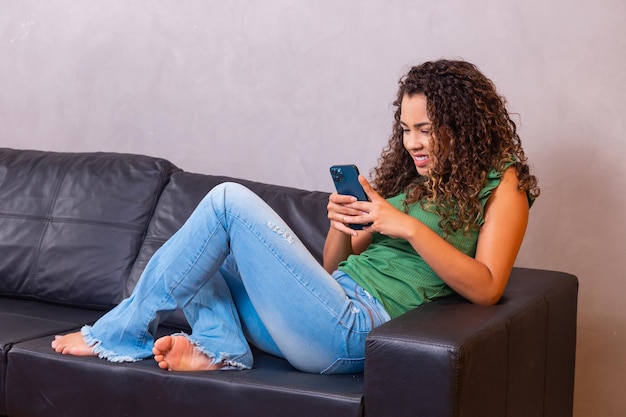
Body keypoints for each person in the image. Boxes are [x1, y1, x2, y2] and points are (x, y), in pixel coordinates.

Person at [51, 59, 539, 374]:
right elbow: (333, 270)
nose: (412, 143)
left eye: (426, 130)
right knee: (192, 251)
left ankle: (116, 333)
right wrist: (340, 224)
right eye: (407, 129)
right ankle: (222, 346)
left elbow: (488, 286)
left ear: (461, 127)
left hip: (356, 328)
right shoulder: (409, 183)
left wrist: (405, 225)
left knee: (226, 201)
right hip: (322, 311)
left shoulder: (503, 184)